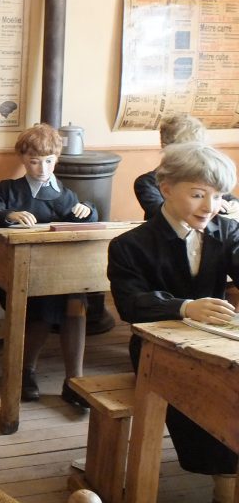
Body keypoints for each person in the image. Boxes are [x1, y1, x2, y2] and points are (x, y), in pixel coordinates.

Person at [108, 142, 239, 503]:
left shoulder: (226, 232)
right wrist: (185, 307)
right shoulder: (130, 245)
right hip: (158, 349)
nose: (209, 206)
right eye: (198, 194)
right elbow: (130, 303)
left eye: (218, 196)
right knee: (214, 393)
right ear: (166, 189)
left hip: (215, 340)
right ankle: (225, 482)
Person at [0, 123, 98, 407]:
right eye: (33, 161)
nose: (41, 168)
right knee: (43, 306)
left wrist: (88, 209)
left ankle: (74, 382)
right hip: (15, 273)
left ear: (56, 159)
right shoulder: (9, 189)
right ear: (23, 159)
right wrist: (10, 214)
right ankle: (25, 371)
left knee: (76, 302)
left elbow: (84, 221)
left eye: (48, 161)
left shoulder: (65, 194)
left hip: (58, 273)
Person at [135, 113, 239, 220]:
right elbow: (162, 215)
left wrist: (233, 205)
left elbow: (229, 197)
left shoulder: (206, 176)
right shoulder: (147, 182)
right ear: (167, 148)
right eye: (189, 150)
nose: (197, 155)